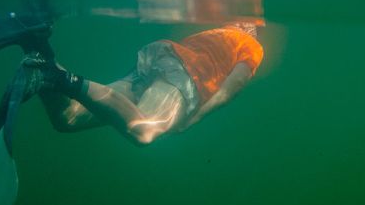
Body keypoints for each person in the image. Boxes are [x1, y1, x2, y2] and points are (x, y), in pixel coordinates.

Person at [27, 21, 264, 145]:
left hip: (158, 56)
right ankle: (60, 78)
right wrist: (194, 119)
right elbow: (231, 89)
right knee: (145, 130)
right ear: (250, 29)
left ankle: (39, 53)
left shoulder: (216, 33)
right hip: (186, 75)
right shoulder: (252, 46)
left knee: (69, 118)